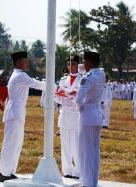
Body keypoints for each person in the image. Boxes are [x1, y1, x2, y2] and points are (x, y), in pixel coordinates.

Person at [0, 51, 45, 182]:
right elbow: (35, 83)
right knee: (10, 143)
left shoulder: (18, 75)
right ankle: (4, 172)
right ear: (18, 62)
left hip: (17, 112)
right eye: (25, 61)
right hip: (14, 112)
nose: (27, 63)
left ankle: (10, 171)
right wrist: (53, 87)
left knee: (17, 143)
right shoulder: (19, 76)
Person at [75, 51, 105, 187]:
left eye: (84, 62)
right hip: (98, 113)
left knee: (85, 151)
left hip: (87, 114)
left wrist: (79, 107)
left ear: (88, 63)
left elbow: (79, 99)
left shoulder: (88, 77)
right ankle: (93, 181)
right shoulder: (101, 74)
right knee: (94, 150)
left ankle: (86, 183)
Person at [55, 55, 81, 179]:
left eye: (74, 64)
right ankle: (67, 171)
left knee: (76, 144)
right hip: (64, 113)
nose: (71, 66)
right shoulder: (63, 79)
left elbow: (78, 97)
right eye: (69, 64)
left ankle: (77, 171)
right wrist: (64, 94)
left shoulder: (82, 79)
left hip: (76, 114)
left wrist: (67, 94)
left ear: (78, 65)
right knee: (65, 144)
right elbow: (58, 98)